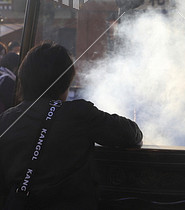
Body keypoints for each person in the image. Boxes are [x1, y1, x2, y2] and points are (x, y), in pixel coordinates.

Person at [0, 42, 143, 210]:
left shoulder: (6, 120)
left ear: (24, 79)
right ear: (65, 82)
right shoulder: (79, 114)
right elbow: (130, 134)